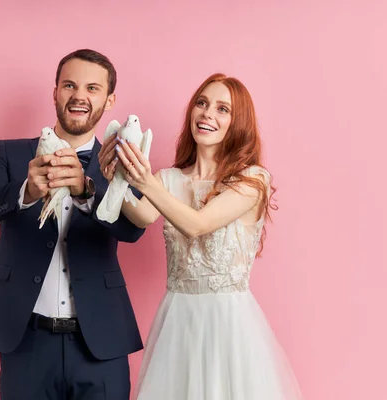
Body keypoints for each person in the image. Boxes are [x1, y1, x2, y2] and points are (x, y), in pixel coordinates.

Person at [0, 49, 145, 400]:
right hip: (26, 341)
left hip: (100, 343)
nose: (79, 96)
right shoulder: (9, 153)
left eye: (93, 88)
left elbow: (133, 230)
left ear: (109, 100)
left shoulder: (122, 161)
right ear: (55, 91)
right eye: (70, 85)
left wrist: (86, 191)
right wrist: (26, 190)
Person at [102, 73, 302, 399]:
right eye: (202, 103)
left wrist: (143, 182)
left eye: (223, 109)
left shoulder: (252, 180)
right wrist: (117, 183)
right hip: (179, 320)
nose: (208, 114)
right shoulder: (168, 178)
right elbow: (140, 216)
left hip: (229, 325)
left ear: (238, 124)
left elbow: (196, 224)